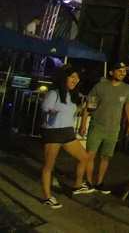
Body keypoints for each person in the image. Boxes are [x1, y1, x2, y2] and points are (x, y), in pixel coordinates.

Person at [39, 66, 94, 208]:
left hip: (68, 133)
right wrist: (51, 112)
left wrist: (84, 107)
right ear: (64, 78)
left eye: (77, 78)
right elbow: (45, 108)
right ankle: (47, 197)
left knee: (85, 157)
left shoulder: (72, 95)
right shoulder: (54, 93)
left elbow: (71, 112)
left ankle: (77, 185)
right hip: (54, 132)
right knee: (49, 166)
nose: (75, 80)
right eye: (72, 77)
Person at [81, 63, 129, 194]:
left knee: (106, 157)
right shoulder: (100, 87)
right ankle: (88, 182)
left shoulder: (127, 89)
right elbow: (89, 106)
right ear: (111, 72)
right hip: (97, 126)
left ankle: (99, 183)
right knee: (90, 155)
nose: (122, 73)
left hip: (113, 129)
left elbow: (128, 107)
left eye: (124, 71)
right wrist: (83, 124)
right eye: (119, 70)